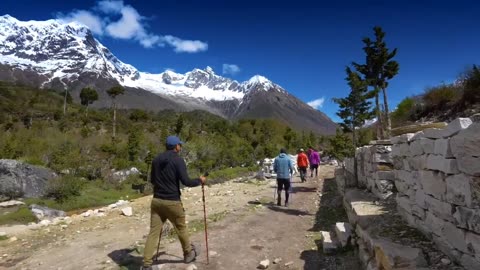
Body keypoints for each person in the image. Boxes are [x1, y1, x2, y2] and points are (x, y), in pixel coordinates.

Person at [142, 136, 207, 270]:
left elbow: (153, 180)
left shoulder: (156, 160)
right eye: (180, 145)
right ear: (176, 146)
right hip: (172, 201)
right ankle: (188, 253)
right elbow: (186, 181)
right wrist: (199, 180)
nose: (181, 147)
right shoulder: (178, 160)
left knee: (153, 232)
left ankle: (146, 264)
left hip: (157, 201)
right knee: (181, 228)